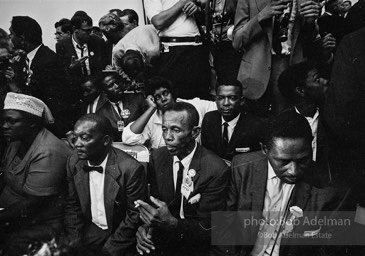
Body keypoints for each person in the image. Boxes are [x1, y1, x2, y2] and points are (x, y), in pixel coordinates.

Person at [215, 111, 352, 256]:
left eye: (302, 160)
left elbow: (330, 250)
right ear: (264, 149)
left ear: (311, 143)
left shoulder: (333, 191)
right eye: (284, 162)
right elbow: (226, 224)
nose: (293, 171)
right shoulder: (242, 167)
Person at [135, 101, 229, 256]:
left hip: (195, 247)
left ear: (195, 132)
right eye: (164, 129)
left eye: (176, 130)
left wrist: (173, 223)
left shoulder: (216, 169)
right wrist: (144, 228)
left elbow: (210, 227)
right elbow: (152, 206)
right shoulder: (157, 157)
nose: (167, 137)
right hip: (161, 243)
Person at [64, 113, 146, 256]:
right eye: (75, 138)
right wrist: (75, 243)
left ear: (106, 140)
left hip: (119, 234)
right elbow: (73, 206)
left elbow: (134, 216)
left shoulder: (131, 169)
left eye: (85, 138)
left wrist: (109, 251)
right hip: (90, 230)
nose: (77, 144)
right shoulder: (74, 162)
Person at [0, 93, 72, 255]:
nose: (5, 126)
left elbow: (34, 203)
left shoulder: (48, 151)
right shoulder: (16, 141)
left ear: (32, 124)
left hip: (41, 221)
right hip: (11, 212)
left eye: (12, 121)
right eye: (4, 120)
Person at [233, 0, 321, 116]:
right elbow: (237, 41)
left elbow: (311, 43)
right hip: (256, 75)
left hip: (292, 73)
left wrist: (310, 23)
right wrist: (260, 18)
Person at [9, 16, 72, 137]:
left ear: (22, 37)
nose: (10, 37)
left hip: (49, 131)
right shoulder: (22, 60)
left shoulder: (50, 61)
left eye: (11, 33)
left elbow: (57, 102)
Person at [122, 76, 216, 149]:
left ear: (172, 92)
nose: (163, 99)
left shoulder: (195, 105)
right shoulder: (152, 119)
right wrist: (151, 108)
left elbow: (220, 106)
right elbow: (128, 138)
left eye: (165, 93)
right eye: (157, 97)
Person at [145, 0, 211, 99]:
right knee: (179, 97)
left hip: (198, 48)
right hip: (174, 51)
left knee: (202, 96)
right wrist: (183, 2)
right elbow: (158, 22)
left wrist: (196, 9)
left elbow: (207, 22)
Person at [278, 61, 329, 164]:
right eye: (317, 79)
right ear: (300, 91)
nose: (325, 81)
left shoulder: (331, 115)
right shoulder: (283, 123)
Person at [201, 79, 263, 162]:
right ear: (215, 99)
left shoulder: (255, 126)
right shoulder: (209, 119)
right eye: (221, 98)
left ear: (241, 101)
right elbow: (205, 154)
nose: (226, 103)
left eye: (232, 98)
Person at [56, 11, 108, 108]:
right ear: (75, 29)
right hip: (76, 95)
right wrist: (71, 68)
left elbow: (103, 66)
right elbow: (60, 74)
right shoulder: (62, 45)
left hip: (97, 92)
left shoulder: (98, 42)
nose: (90, 33)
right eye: (86, 30)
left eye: (91, 29)